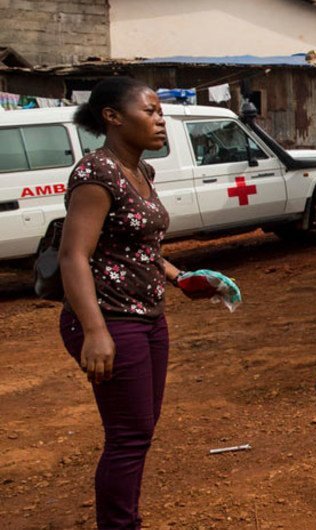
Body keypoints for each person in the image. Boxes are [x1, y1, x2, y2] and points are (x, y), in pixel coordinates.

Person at [59, 77, 221, 529]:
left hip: (148, 316)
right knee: (128, 437)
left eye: (160, 112)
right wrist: (94, 330)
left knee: (139, 432)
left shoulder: (141, 172)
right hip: (109, 319)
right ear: (112, 116)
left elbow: (141, 248)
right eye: (149, 111)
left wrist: (180, 277)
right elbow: (74, 255)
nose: (160, 120)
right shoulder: (97, 173)